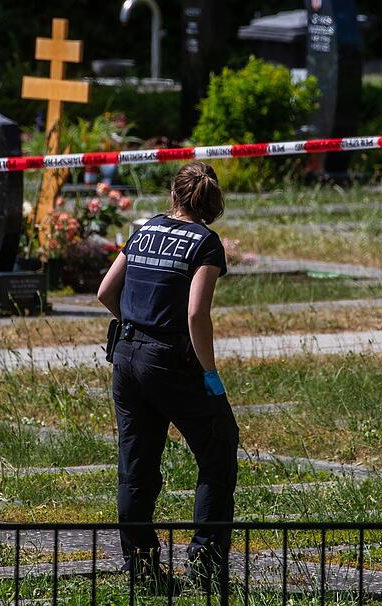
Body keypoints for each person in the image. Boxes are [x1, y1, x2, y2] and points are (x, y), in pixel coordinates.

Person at [96, 161, 239, 595]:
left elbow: (105, 291)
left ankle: (143, 572)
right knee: (218, 448)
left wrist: (135, 329)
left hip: (126, 354)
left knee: (136, 469)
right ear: (211, 205)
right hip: (171, 361)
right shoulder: (206, 244)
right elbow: (196, 313)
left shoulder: (144, 230)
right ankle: (205, 568)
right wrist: (209, 372)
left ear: (174, 197)